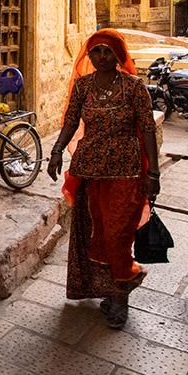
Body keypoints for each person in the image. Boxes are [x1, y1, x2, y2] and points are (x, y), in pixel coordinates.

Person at [47, 30, 160, 330]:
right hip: (89, 169)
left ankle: (120, 298)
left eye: (107, 52)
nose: (101, 57)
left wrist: (154, 172)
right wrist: (57, 151)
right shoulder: (83, 87)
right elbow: (71, 121)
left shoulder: (135, 88)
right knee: (92, 232)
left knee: (118, 235)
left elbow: (147, 129)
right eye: (95, 52)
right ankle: (100, 289)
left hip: (126, 170)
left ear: (119, 55)